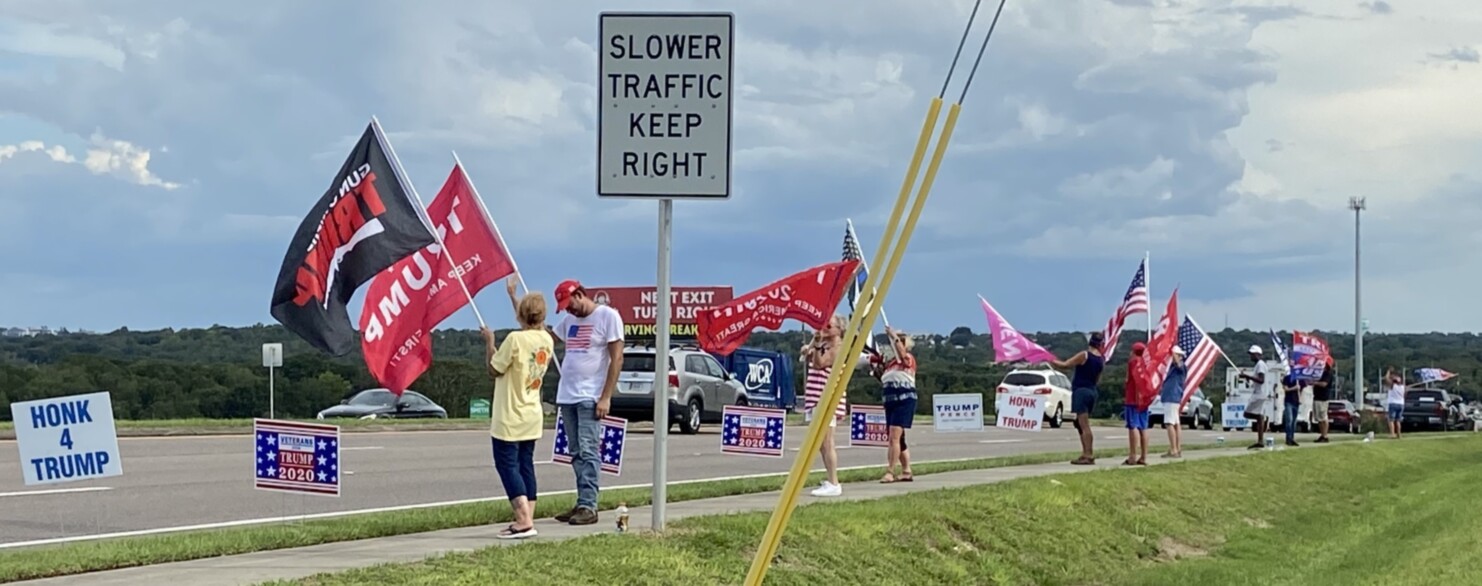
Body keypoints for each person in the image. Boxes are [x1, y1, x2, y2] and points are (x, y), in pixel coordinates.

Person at [482, 277, 553, 539]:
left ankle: (523, 520)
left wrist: (490, 343)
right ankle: (528, 515)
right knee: (526, 464)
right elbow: (530, 323)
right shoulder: (546, 339)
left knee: (507, 465)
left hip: (510, 414)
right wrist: (514, 296)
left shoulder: (513, 340)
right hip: (531, 413)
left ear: (521, 316)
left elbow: (494, 369)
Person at [548, 279, 623, 526]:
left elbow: (616, 358)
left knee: (589, 449)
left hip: (590, 396)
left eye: (570, 304)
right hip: (567, 395)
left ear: (580, 294)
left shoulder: (607, 316)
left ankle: (589, 505)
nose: (569, 310)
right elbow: (549, 339)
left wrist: (606, 396)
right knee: (576, 451)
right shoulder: (569, 320)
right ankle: (582, 501)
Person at [802, 315, 849, 497]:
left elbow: (820, 363)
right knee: (822, 443)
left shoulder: (838, 347)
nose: (824, 328)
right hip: (817, 397)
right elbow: (808, 360)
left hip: (826, 398)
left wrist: (815, 345)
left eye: (829, 326)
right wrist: (812, 348)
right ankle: (830, 479)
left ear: (839, 329)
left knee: (828, 442)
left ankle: (834, 482)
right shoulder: (825, 345)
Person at [1051, 332, 1105, 465]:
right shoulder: (1100, 359)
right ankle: (1085, 452)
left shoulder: (1084, 355)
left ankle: (1088, 454)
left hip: (1081, 391)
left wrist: (1050, 360)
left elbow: (1065, 365)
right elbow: (1097, 379)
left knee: (1084, 425)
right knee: (1079, 424)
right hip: (1092, 391)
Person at [877, 327, 916, 483]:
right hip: (891, 401)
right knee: (898, 439)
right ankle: (906, 470)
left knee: (894, 436)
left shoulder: (907, 359)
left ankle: (890, 471)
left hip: (903, 400)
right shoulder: (891, 364)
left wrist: (894, 337)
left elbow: (903, 355)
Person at [1123, 342, 1151, 466]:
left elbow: (1128, 379)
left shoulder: (1133, 362)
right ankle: (1144, 456)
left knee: (1132, 426)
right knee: (1143, 427)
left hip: (1133, 398)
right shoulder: (1147, 364)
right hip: (1143, 399)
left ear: (1134, 352)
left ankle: (1133, 456)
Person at [1239, 345, 1271, 450]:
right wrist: (1248, 379)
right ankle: (1260, 440)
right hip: (1261, 393)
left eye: (1252, 354)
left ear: (1258, 354)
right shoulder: (1259, 365)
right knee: (1257, 415)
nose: (1251, 356)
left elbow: (1261, 380)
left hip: (1259, 394)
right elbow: (1257, 380)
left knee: (1247, 414)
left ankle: (1262, 420)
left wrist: (1247, 376)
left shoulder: (1260, 364)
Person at [1159, 345, 1188, 458]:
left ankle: (1173, 449)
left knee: (1169, 423)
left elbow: (1177, 362)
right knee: (1175, 423)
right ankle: (1177, 448)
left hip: (1172, 396)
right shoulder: (1172, 368)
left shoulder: (1181, 367)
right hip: (1172, 397)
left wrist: (1172, 352)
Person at [1312, 355, 1335, 443]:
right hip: (1317, 397)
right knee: (1319, 418)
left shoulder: (1327, 373)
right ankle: (1322, 435)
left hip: (1323, 398)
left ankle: (1325, 435)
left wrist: (1315, 383)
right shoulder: (1320, 373)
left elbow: (1324, 384)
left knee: (1323, 417)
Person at [1281, 373, 1302, 447]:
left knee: (1294, 422)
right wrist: (1294, 388)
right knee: (1289, 420)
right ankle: (1288, 438)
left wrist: (1300, 397)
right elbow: (1286, 389)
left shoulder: (1299, 379)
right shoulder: (1287, 378)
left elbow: (1302, 388)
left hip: (1296, 402)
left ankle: (1292, 438)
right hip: (1289, 401)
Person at [1385, 368, 1405, 439]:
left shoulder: (1393, 386)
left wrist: (1388, 371)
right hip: (1401, 404)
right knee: (1398, 420)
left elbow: (1386, 378)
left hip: (1393, 403)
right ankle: (1399, 434)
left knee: (1391, 420)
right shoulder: (1402, 387)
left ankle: (1392, 434)